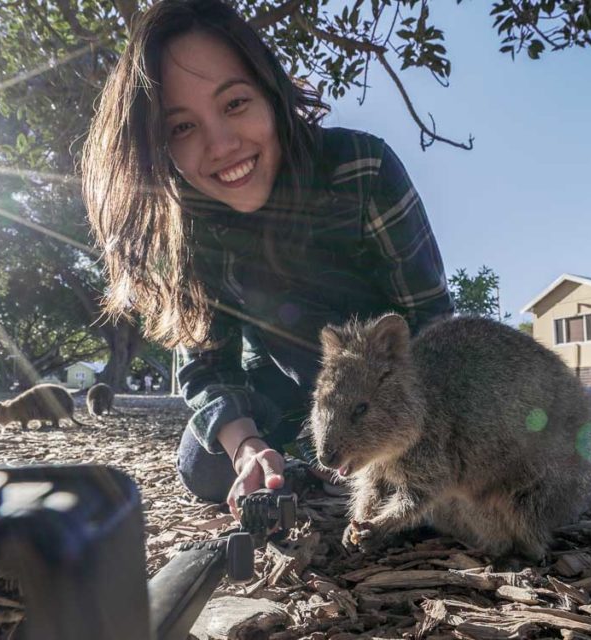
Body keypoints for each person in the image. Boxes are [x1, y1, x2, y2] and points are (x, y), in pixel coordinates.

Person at [81, 0, 454, 519]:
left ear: (271, 94)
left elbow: (433, 319)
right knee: (205, 467)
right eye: (183, 128)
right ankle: (300, 460)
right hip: (278, 389)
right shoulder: (183, 225)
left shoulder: (363, 169)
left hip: (386, 391)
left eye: (234, 103)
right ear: (160, 147)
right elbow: (204, 362)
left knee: (437, 487)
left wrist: (405, 427)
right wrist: (247, 448)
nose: (222, 145)